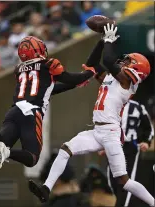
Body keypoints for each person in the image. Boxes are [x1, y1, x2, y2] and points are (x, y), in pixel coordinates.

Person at [28, 24, 154, 207]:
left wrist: (110, 40)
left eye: (128, 62)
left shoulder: (128, 82)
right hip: (97, 131)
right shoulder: (114, 77)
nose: (123, 62)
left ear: (136, 70)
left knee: (124, 181)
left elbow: (110, 60)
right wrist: (103, 40)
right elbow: (93, 62)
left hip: (110, 133)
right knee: (65, 150)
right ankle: (46, 188)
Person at [0, 36, 96, 172]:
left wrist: (74, 85)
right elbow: (69, 78)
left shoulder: (19, 69)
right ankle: (8, 151)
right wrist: (89, 73)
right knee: (32, 158)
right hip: (31, 113)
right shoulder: (48, 64)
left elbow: (47, 89)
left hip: (14, 111)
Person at [106, 100, 154, 207]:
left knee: (125, 181)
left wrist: (146, 141)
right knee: (113, 180)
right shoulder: (110, 105)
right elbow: (101, 126)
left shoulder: (138, 107)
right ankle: (121, 201)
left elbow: (148, 128)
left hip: (130, 147)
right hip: (113, 145)